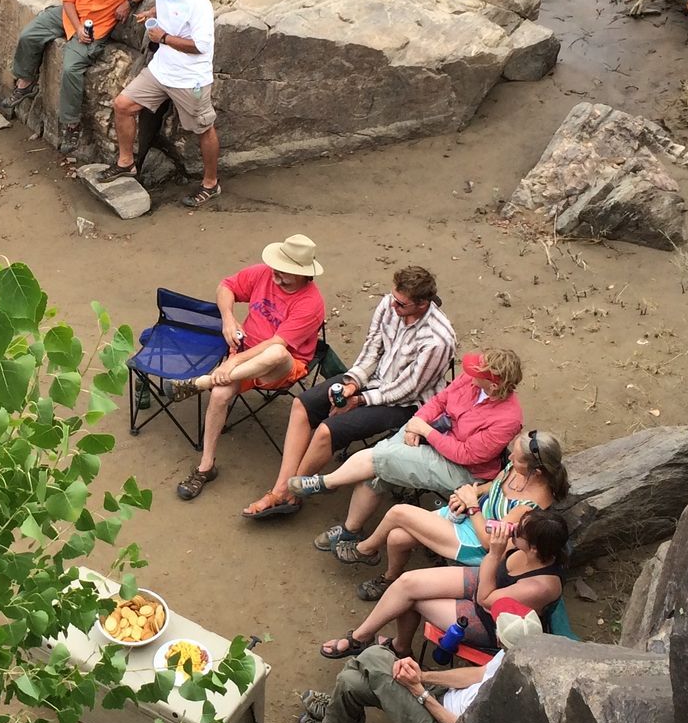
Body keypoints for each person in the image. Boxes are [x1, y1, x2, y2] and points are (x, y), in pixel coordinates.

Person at [242, 266, 456, 520]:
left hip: (407, 405)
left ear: (422, 304)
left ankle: (290, 493)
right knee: (303, 404)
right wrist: (353, 384)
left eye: (401, 304)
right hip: (373, 380)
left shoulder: (438, 340)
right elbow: (371, 350)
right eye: (394, 298)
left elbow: (406, 389)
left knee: (326, 430)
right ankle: (284, 485)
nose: (393, 306)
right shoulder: (390, 304)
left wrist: (359, 400)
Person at [291, 349, 524, 565]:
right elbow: (439, 401)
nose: (469, 373)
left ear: (494, 385)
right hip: (434, 432)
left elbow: (465, 454)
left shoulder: (507, 419)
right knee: (380, 469)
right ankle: (351, 531)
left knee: (383, 457)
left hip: (463, 470)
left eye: (477, 373)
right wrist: (415, 424)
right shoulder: (469, 381)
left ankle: (327, 483)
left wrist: (425, 431)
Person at [323, 429, 569, 607]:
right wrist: (471, 493)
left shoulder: (529, 508)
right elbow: (493, 485)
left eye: (516, 459)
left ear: (536, 471)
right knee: (397, 537)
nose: (510, 460)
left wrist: (473, 508)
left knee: (398, 513)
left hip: (478, 542)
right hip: (472, 516)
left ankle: (365, 550)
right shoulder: (519, 470)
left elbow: (490, 543)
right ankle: (390, 577)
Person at [166, 235, 326, 501]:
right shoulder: (264, 273)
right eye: (276, 271)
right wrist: (228, 319)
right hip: (243, 354)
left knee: (276, 352)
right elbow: (226, 286)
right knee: (219, 395)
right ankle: (206, 467)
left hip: (283, 366)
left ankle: (201, 382)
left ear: (302, 275)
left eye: (284, 275)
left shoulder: (311, 303)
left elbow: (279, 343)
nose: (275, 278)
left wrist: (233, 362)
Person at [321, 506, 571, 664]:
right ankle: (363, 638)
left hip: (492, 621)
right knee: (408, 583)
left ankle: (397, 647)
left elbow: (485, 600)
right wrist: (493, 556)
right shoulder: (525, 546)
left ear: (535, 548)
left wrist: (494, 555)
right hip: (488, 582)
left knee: (412, 600)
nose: (512, 531)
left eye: (519, 533)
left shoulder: (541, 586)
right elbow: (488, 575)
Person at [295, 612, 539, 723]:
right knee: (349, 682)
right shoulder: (514, 655)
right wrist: (422, 677)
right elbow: (477, 674)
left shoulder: (517, 696)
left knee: (374, 655)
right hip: (443, 697)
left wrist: (419, 692)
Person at [2, 0, 156, 143]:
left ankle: (71, 124)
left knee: (70, 68)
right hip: (72, 15)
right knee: (29, 35)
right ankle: (25, 83)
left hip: (99, 25)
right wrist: (76, 28)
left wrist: (129, 2)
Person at [106, 0, 221, 208]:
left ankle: (211, 184)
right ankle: (126, 164)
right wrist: (153, 13)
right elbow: (169, 6)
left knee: (203, 129)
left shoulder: (198, 1)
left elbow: (201, 45)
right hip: (161, 70)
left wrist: (164, 38)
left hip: (190, 78)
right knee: (122, 105)